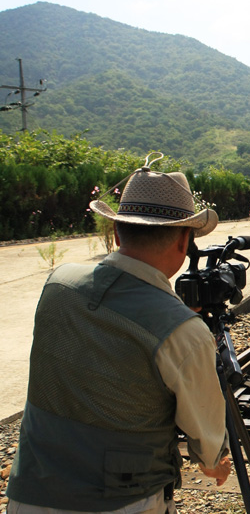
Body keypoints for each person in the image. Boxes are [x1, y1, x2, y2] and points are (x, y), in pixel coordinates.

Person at [7, 155, 231, 513]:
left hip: (31, 492)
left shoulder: (58, 284)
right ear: (183, 241)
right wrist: (212, 462)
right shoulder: (183, 332)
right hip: (124, 501)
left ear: (116, 232)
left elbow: (105, 340)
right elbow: (205, 434)